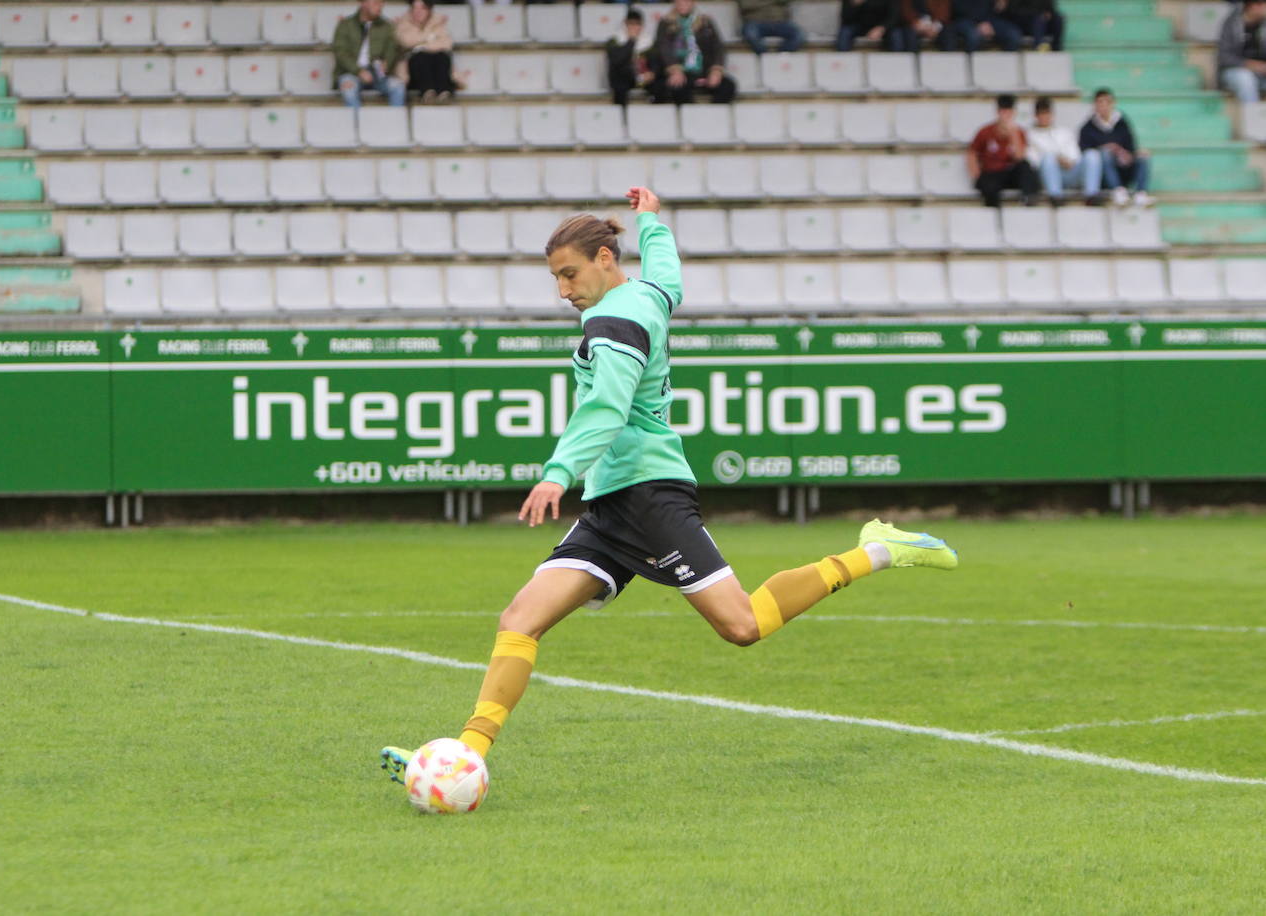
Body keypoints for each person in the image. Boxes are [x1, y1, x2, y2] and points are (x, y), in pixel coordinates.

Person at [378, 188, 959, 786]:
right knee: (520, 619)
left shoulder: (614, 323)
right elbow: (669, 279)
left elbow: (606, 407)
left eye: (570, 273)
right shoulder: (646, 296)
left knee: (743, 625)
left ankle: (879, 549)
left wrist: (557, 472)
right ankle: (468, 755)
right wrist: (651, 221)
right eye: (555, 277)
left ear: (606, 259)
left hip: (650, 495)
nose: (562, 290)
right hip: (609, 504)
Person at [651, 0, 737, 104]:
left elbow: (717, 46)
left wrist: (716, 70)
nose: (682, 5)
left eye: (686, 2)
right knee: (677, 87)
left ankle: (714, 116)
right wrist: (674, 69)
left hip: (703, 70)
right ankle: (689, 117)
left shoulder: (705, 22)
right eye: (679, 2)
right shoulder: (666, 23)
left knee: (728, 86)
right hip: (680, 70)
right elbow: (663, 48)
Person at [1078, 88, 1153, 207]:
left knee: (1142, 156)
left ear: (1112, 103)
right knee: (1104, 154)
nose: (1103, 106)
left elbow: (1131, 146)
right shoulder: (1087, 128)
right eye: (1100, 102)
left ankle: (1141, 193)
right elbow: (1085, 153)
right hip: (1104, 175)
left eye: (1106, 102)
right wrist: (1106, 148)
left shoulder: (1122, 123)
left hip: (1123, 166)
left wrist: (1129, 154)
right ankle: (1117, 190)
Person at [968, 93, 1040, 208]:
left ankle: (1028, 198)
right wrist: (976, 174)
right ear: (998, 112)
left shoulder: (1019, 132)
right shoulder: (985, 132)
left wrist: (1013, 135)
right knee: (988, 185)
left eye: (1009, 112)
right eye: (1003, 112)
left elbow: (1019, 157)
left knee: (1026, 167)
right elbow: (972, 152)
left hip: (1010, 172)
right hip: (992, 172)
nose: (1006, 116)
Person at [332, 0, 406, 109]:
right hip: (352, 73)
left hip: (378, 74)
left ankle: (393, 125)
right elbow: (341, 52)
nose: (380, 6)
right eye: (376, 3)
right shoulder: (345, 25)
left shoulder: (387, 26)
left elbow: (392, 50)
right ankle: (357, 126)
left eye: (382, 3)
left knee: (398, 87)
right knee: (349, 89)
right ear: (363, 3)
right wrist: (359, 71)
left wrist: (386, 63)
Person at [1026, 97, 1099, 207]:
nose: (1045, 117)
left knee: (1092, 155)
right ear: (1036, 116)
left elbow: (1075, 155)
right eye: (1042, 114)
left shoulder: (1064, 132)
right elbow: (1033, 161)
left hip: (1069, 172)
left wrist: (1067, 161)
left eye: (1047, 113)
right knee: (1048, 159)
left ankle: (1091, 195)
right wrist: (1056, 159)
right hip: (1046, 176)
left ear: (1052, 115)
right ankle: (1055, 197)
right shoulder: (1029, 135)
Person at [395, 0, 455, 103]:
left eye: (422, 8)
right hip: (412, 73)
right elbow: (405, 41)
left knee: (441, 57)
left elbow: (447, 43)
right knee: (420, 57)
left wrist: (421, 45)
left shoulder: (438, 22)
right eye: (415, 8)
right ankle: (427, 93)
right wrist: (431, 37)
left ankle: (444, 93)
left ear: (429, 10)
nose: (418, 11)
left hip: (436, 67)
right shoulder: (403, 22)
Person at [1217, 0, 1266, 105]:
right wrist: (1249, 65)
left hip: (1262, 74)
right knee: (1245, 78)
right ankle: (1253, 119)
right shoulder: (1232, 24)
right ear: (1254, 6)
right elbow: (1224, 57)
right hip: (1235, 72)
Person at [606, 7, 654, 107]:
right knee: (619, 80)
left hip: (645, 78)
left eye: (637, 24)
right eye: (631, 24)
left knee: (662, 84)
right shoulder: (614, 41)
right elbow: (617, 60)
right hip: (625, 78)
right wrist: (631, 41)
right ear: (625, 25)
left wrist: (653, 73)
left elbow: (657, 60)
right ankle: (620, 115)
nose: (634, 27)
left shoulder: (650, 42)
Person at [949, 0, 1021, 51]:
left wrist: (1001, 6)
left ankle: (1004, 68)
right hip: (965, 19)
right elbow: (957, 7)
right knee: (973, 36)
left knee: (1013, 34)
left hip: (990, 19)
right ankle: (973, 69)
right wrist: (979, 24)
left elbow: (996, 8)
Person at [738, 0, 805, 54]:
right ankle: (766, 57)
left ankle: (778, 56)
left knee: (799, 34)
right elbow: (746, 5)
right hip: (756, 23)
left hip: (780, 23)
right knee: (751, 34)